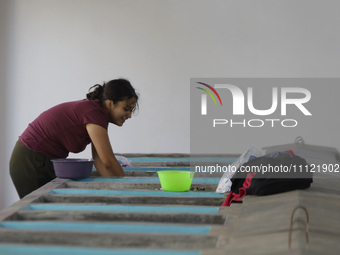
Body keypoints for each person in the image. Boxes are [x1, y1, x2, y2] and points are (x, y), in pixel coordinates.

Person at [9, 78, 138, 198]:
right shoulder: (94, 114)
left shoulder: (97, 114)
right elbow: (108, 161)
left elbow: (99, 160)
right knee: (40, 215)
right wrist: (127, 188)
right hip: (30, 160)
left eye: (131, 110)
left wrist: (117, 188)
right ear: (110, 104)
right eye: (126, 109)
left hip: (37, 159)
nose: (129, 115)